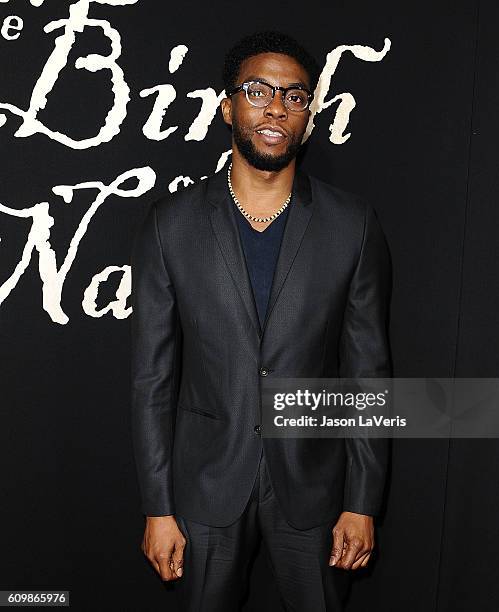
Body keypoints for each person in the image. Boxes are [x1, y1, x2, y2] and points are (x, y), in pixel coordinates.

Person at [130, 30, 392, 612]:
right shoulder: (170, 225)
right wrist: (157, 506)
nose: (276, 107)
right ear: (228, 106)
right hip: (204, 490)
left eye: (294, 96)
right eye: (258, 90)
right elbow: (152, 381)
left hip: (315, 489)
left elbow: (370, 376)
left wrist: (362, 501)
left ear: (308, 115)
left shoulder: (354, 226)